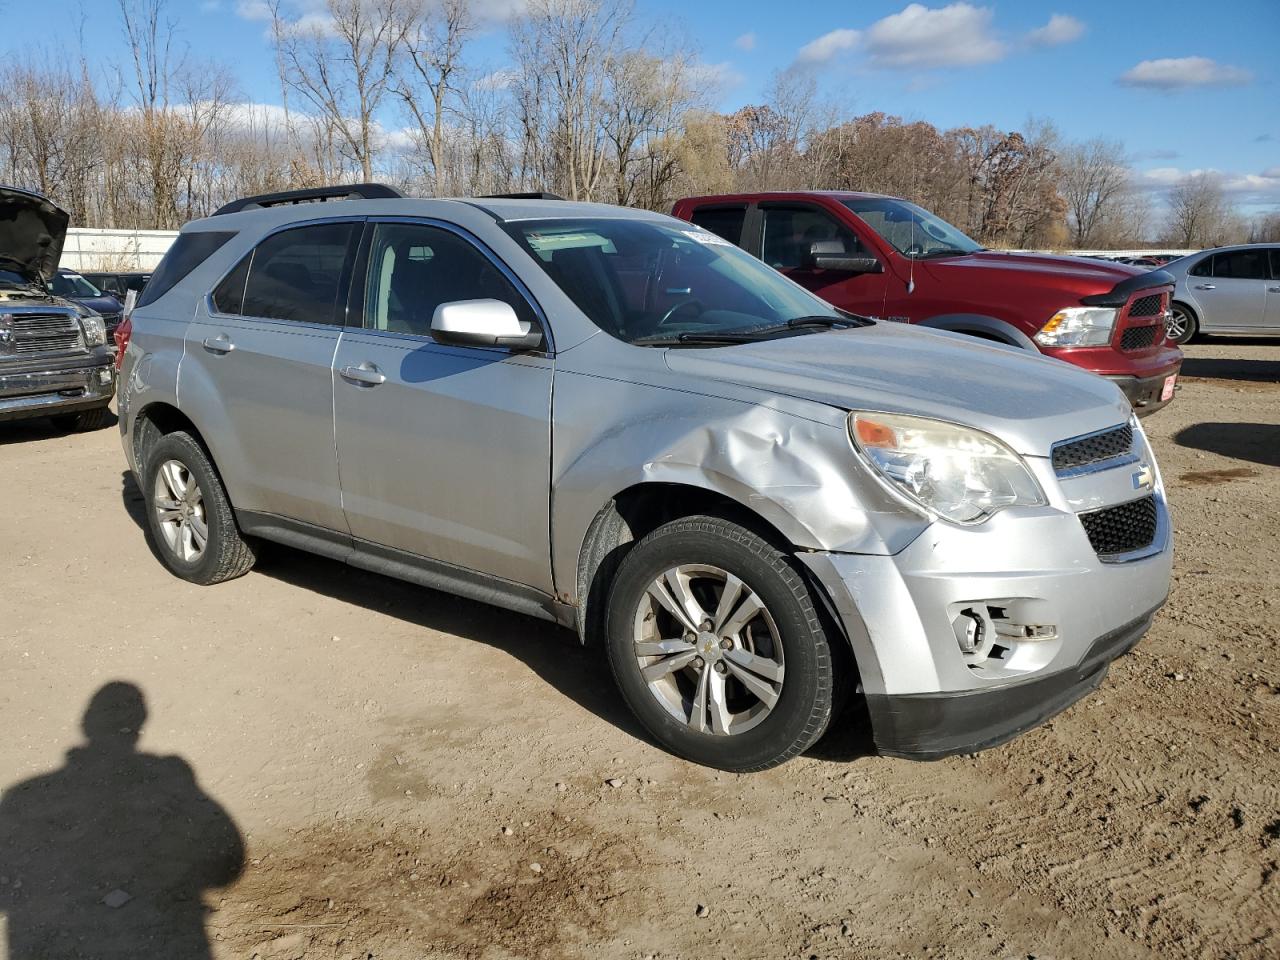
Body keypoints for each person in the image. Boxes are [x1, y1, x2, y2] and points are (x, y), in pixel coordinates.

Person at [0, 682, 243, 959]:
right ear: (139, 726)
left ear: (86, 724)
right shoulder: (170, 783)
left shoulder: (28, 797)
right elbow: (228, 863)